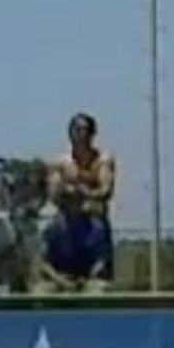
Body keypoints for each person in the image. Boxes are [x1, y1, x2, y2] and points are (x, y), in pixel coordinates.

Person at [47, 112, 117, 280]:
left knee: (98, 225)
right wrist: (68, 191)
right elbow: (54, 195)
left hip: (94, 224)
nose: (82, 135)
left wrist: (81, 192)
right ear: (70, 133)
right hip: (68, 225)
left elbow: (105, 191)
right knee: (53, 228)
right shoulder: (60, 163)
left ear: (93, 134)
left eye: (86, 130)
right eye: (77, 130)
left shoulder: (103, 160)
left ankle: (99, 270)